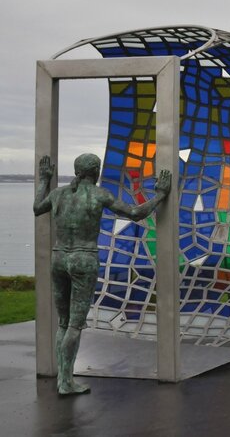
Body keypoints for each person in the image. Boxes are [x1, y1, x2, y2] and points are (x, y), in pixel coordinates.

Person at [33, 153, 171, 395]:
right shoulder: (99, 195)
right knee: (74, 325)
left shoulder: (59, 194)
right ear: (96, 171)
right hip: (83, 259)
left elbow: (37, 208)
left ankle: (64, 379)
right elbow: (136, 213)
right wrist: (160, 195)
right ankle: (65, 382)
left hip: (59, 258)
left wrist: (44, 179)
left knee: (63, 323)